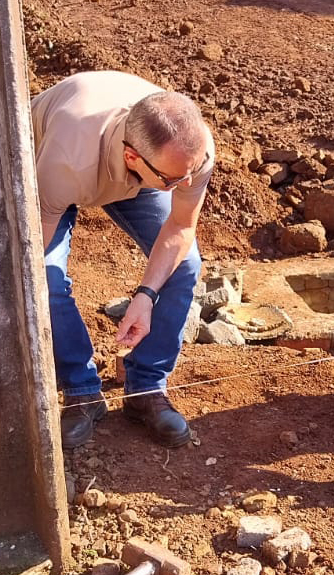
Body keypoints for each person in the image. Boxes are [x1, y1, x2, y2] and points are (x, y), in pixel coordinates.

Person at [31, 71, 215, 450]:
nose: (185, 186)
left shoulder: (189, 157)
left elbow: (180, 226)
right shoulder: (67, 159)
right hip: (54, 165)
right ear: (133, 157)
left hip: (141, 172)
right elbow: (36, 253)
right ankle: (81, 392)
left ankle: (146, 389)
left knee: (185, 265)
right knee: (44, 278)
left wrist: (146, 295)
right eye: (175, 181)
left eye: (190, 175)